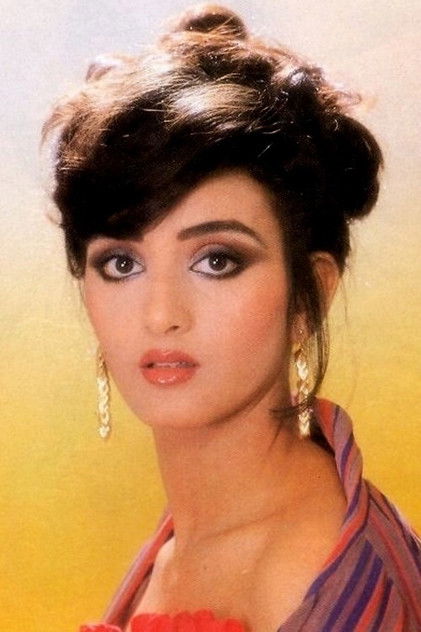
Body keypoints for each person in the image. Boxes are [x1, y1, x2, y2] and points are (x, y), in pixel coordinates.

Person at [42, 4, 421, 631]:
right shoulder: (179, 542)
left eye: (216, 261)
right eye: (121, 264)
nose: (161, 315)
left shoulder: (323, 573)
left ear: (312, 291)